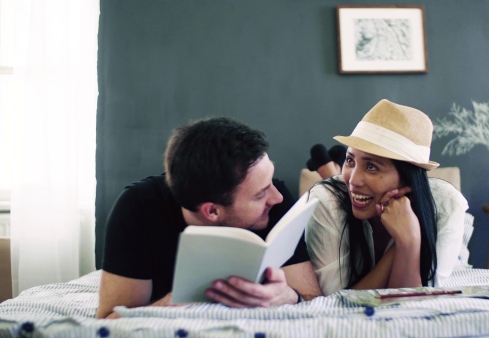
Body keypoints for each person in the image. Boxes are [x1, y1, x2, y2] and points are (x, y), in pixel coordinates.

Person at [97, 117, 321, 318]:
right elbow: (109, 319)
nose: (278, 196)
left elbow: (312, 296)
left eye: (271, 179)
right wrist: (166, 306)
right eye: (261, 194)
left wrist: (290, 296)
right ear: (212, 211)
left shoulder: (274, 204)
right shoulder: (138, 207)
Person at [305, 99, 468, 296]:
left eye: (372, 167)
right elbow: (338, 302)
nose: (353, 180)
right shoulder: (326, 201)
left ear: (408, 178)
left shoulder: (446, 205)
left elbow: (412, 302)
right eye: (350, 160)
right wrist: (403, 243)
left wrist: (409, 242)